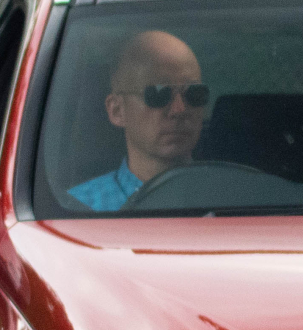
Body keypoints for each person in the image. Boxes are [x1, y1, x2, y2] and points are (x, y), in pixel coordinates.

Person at [66, 30, 211, 210]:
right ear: (117, 110)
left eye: (194, 93)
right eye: (158, 94)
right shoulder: (78, 210)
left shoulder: (236, 197)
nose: (179, 109)